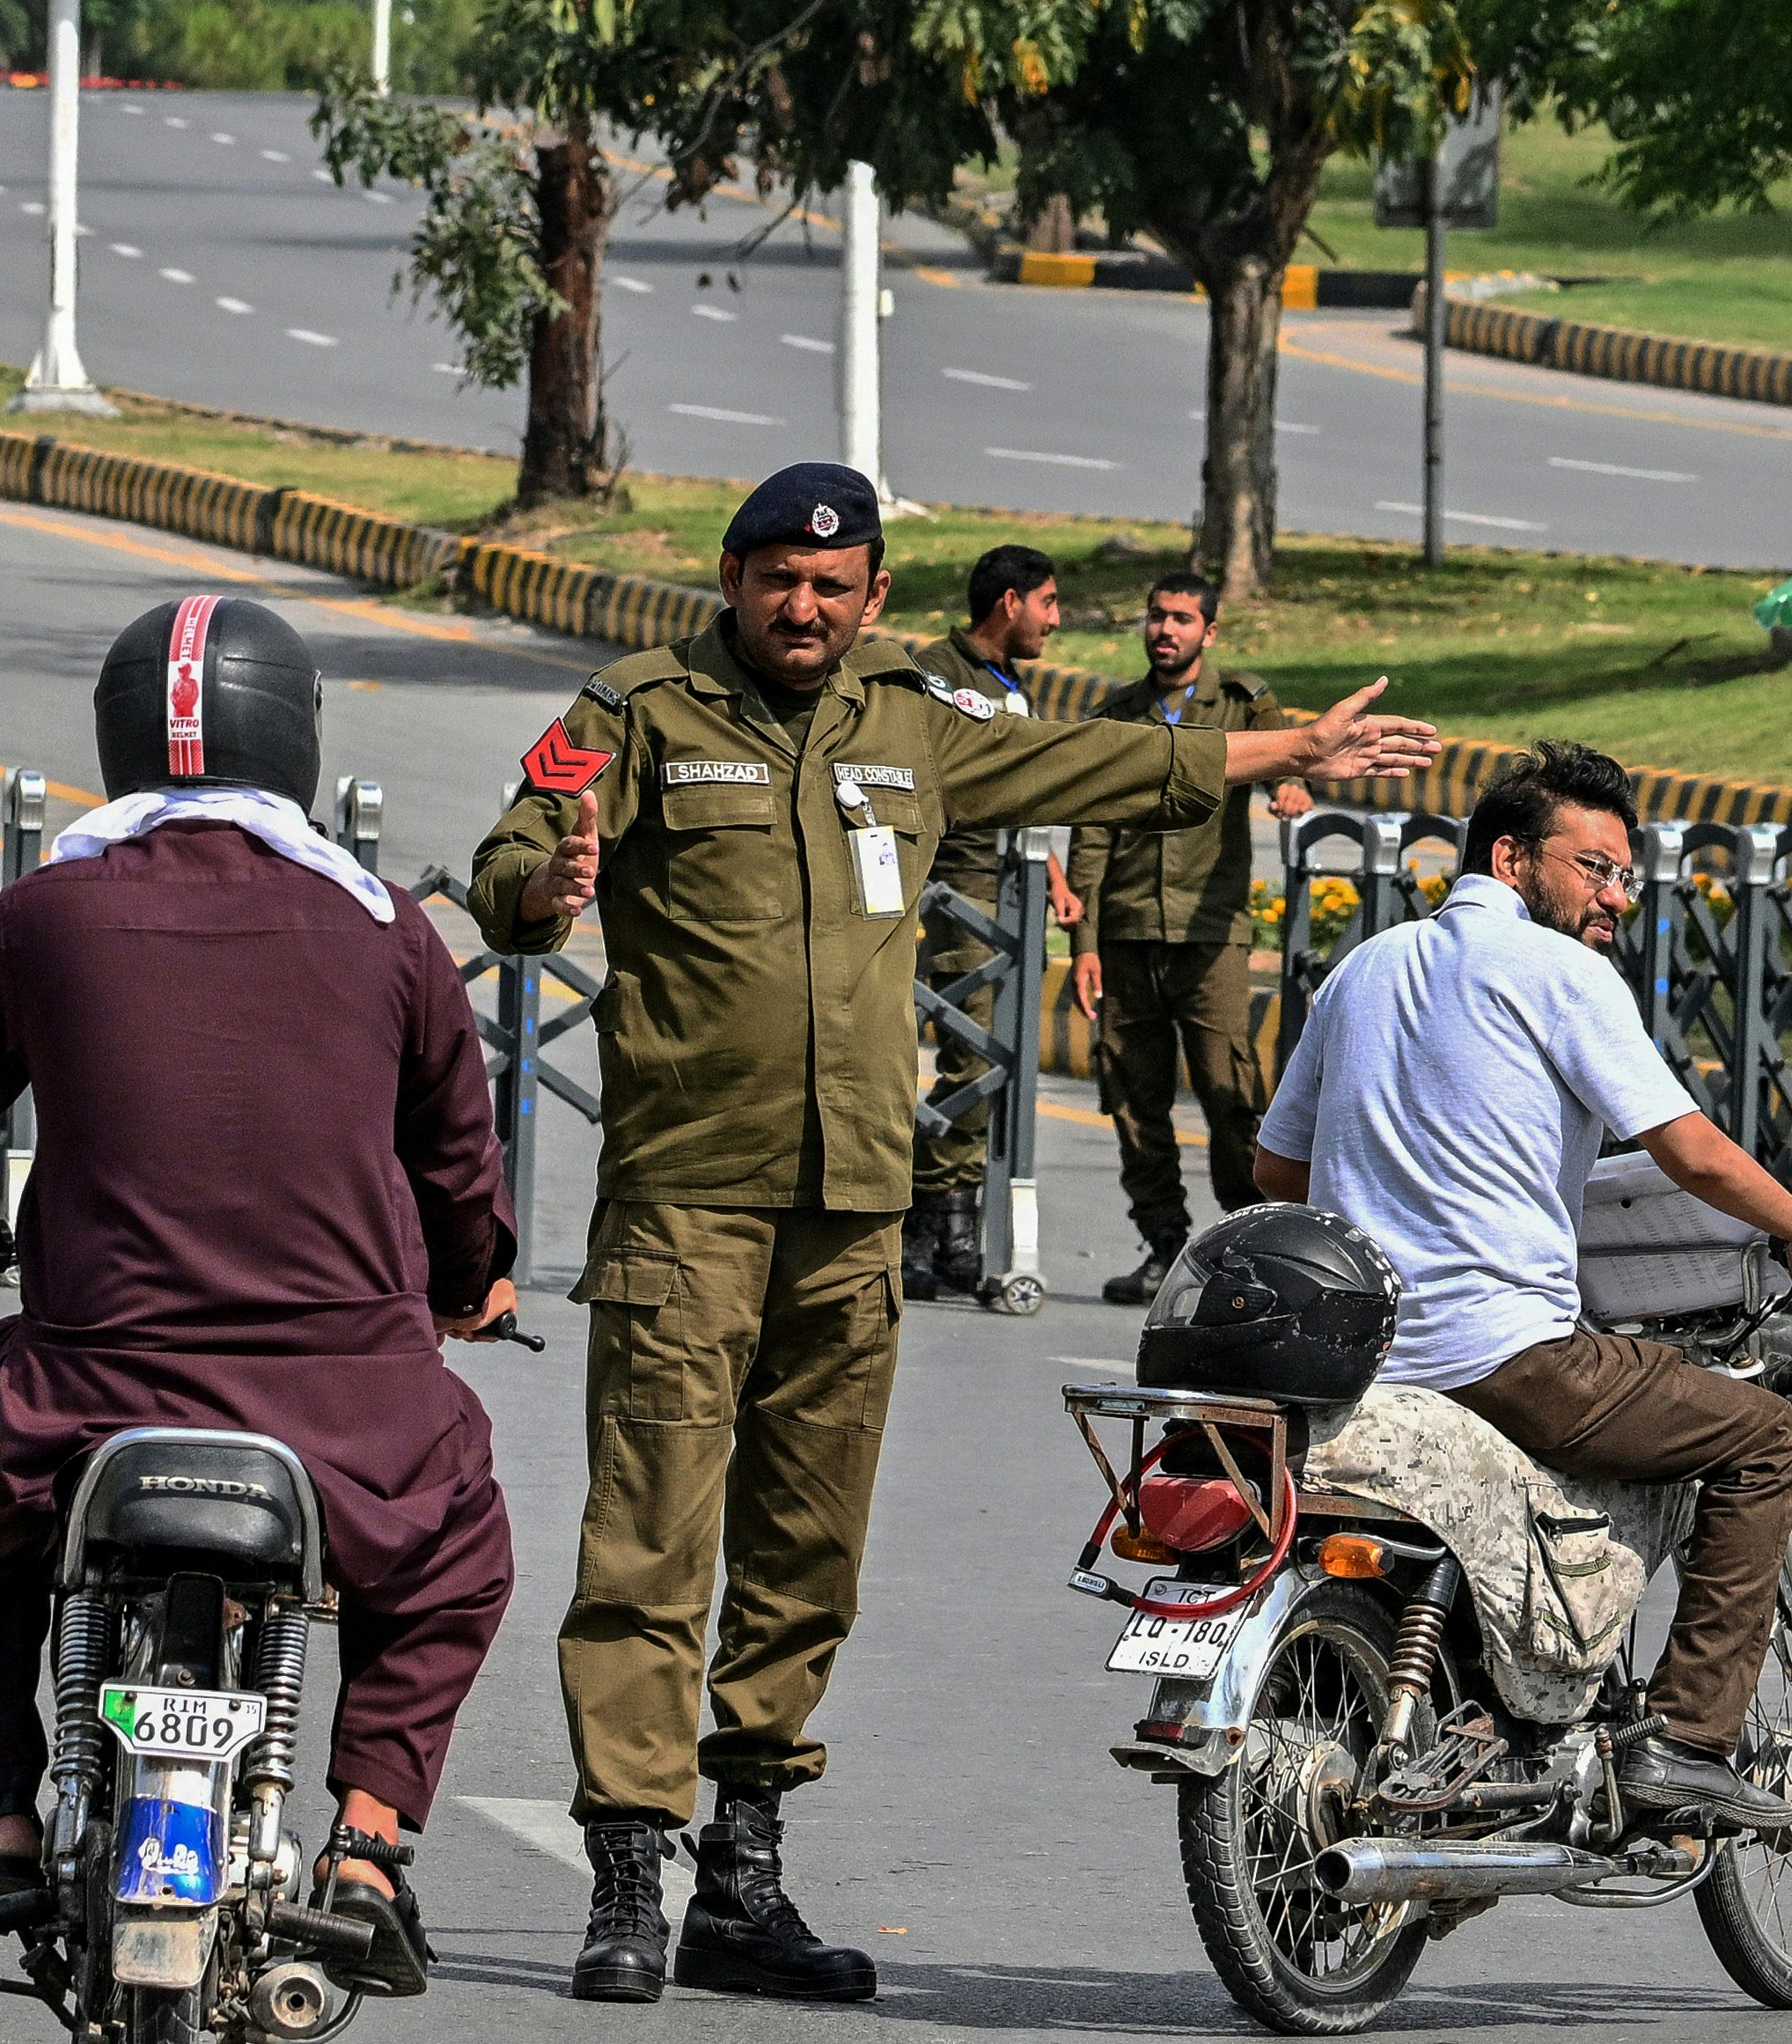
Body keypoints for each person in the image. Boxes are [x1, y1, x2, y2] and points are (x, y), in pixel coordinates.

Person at [466, 463, 1437, 2007]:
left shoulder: (912, 722)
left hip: (855, 1204)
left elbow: (1109, 762)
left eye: (831, 584)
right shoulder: (643, 708)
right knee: (649, 1536)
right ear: (731, 579)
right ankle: (631, 1867)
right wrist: (548, 887)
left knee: (807, 1548)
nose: (803, 603)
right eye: (776, 575)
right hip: (685, 1201)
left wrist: (1293, 747)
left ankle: (745, 1868)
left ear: (874, 604)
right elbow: (512, 866)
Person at [0, 595, 519, 1999]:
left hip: (87, 1397)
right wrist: (469, 1286)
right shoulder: (390, 929)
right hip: (350, 1410)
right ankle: (372, 1844)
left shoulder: (39, 916)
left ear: (116, 740)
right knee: (460, 1537)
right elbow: (461, 1162)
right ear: (300, 743)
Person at [1247, 738, 1792, 1832]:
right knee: (1764, 1435)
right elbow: (1690, 1152)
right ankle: (1684, 1745)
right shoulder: (1559, 974)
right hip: (1508, 1357)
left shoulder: (1363, 965)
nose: (1615, 897)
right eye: (1594, 868)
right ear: (1511, 856)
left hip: (1363, 1356)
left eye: (1627, 875)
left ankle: (1492, 1709)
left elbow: (1273, 1170)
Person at [1072, 564, 1288, 1302]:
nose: (1165, 629)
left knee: (1231, 1090)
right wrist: (1084, 945)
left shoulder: (1241, 702)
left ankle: (1248, 1248)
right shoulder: (1120, 712)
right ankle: (1164, 1242)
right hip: (1129, 931)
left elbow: (1285, 748)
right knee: (1134, 1095)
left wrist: (1292, 782)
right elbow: (1092, 831)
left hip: (1209, 932)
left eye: (1181, 619)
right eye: (1156, 615)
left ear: (1209, 630)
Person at [905, 547, 1093, 1305]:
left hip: (1008, 891)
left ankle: (956, 1228)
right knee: (970, 1060)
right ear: (1008, 602)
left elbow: (1021, 790)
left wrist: (1053, 880)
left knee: (992, 1063)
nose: (1055, 618)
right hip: (956, 890)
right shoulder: (937, 676)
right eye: (1048, 602)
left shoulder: (1009, 688)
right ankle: (929, 1217)